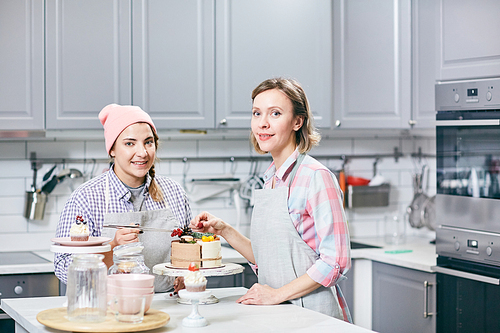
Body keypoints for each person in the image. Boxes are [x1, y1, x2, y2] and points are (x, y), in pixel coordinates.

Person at [190, 78, 352, 321]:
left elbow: (336, 262)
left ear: (298, 121)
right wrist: (224, 230)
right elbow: (270, 259)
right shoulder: (271, 179)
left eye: (275, 113)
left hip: (313, 315)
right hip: (279, 313)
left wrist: (276, 295)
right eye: (257, 113)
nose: (262, 124)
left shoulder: (316, 177)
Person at [54, 104, 191, 293]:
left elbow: (188, 247)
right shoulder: (86, 198)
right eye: (129, 143)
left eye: (148, 142)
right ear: (112, 150)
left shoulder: (174, 192)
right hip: (107, 308)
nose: (142, 152)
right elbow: (63, 268)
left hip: (167, 306)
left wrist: (188, 273)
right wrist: (112, 248)